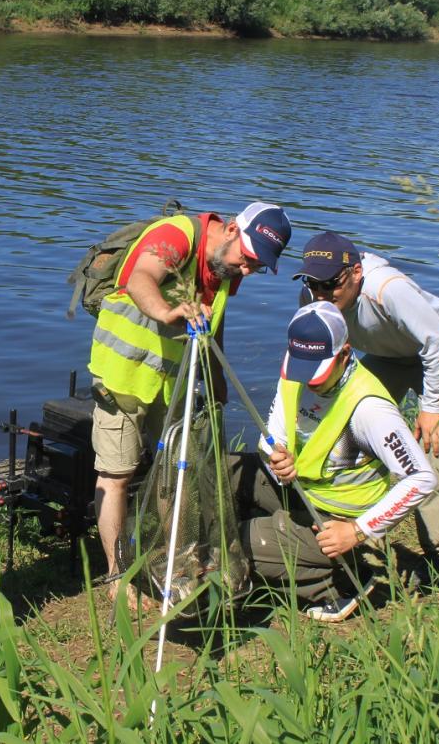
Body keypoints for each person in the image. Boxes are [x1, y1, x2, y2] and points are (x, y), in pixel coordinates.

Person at [88, 202, 292, 605]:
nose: (246, 269)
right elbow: (141, 278)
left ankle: (175, 562)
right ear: (231, 229)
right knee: (117, 475)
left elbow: (216, 323)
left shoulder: (227, 268)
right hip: (121, 377)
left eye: (257, 266)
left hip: (173, 383)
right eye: (247, 258)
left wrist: (217, 380)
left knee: (176, 474)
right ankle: (117, 576)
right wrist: (168, 312)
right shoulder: (176, 235)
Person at [236, 301, 437, 621]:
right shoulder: (295, 371)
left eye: (317, 373)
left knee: (237, 541)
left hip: (337, 518)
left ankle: (340, 583)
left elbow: (421, 478)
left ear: (345, 354)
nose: (307, 381)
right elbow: (273, 436)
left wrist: (358, 530)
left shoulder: (369, 408)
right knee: (226, 471)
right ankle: (277, 539)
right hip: (301, 490)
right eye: (301, 368)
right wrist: (277, 456)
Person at [295, 232, 439, 564]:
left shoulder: (387, 288)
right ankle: (348, 521)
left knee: (432, 446)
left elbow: (437, 341)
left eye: (330, 283)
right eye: (313, 283)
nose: (321, 293)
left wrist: (431, 407)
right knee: (343, 427)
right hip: (389, 355)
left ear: (355, 273)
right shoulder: (312, 299)